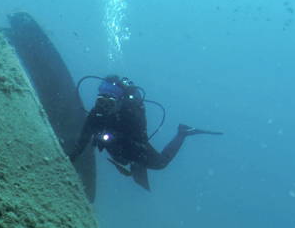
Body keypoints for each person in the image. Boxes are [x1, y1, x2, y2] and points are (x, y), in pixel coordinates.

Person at [68, 75, 221, 191]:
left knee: (161, 163)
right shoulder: (96, 114)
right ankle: (129, 161)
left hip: (133, 145)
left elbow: (141, 139)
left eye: (110, 103)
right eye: (101, 101)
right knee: (119, 157)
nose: (104, 107)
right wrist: (71, 157)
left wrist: (115, 138)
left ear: (119, 101)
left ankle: (182, 132)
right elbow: (83, 139)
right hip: (115, 146)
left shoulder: (130, 114)